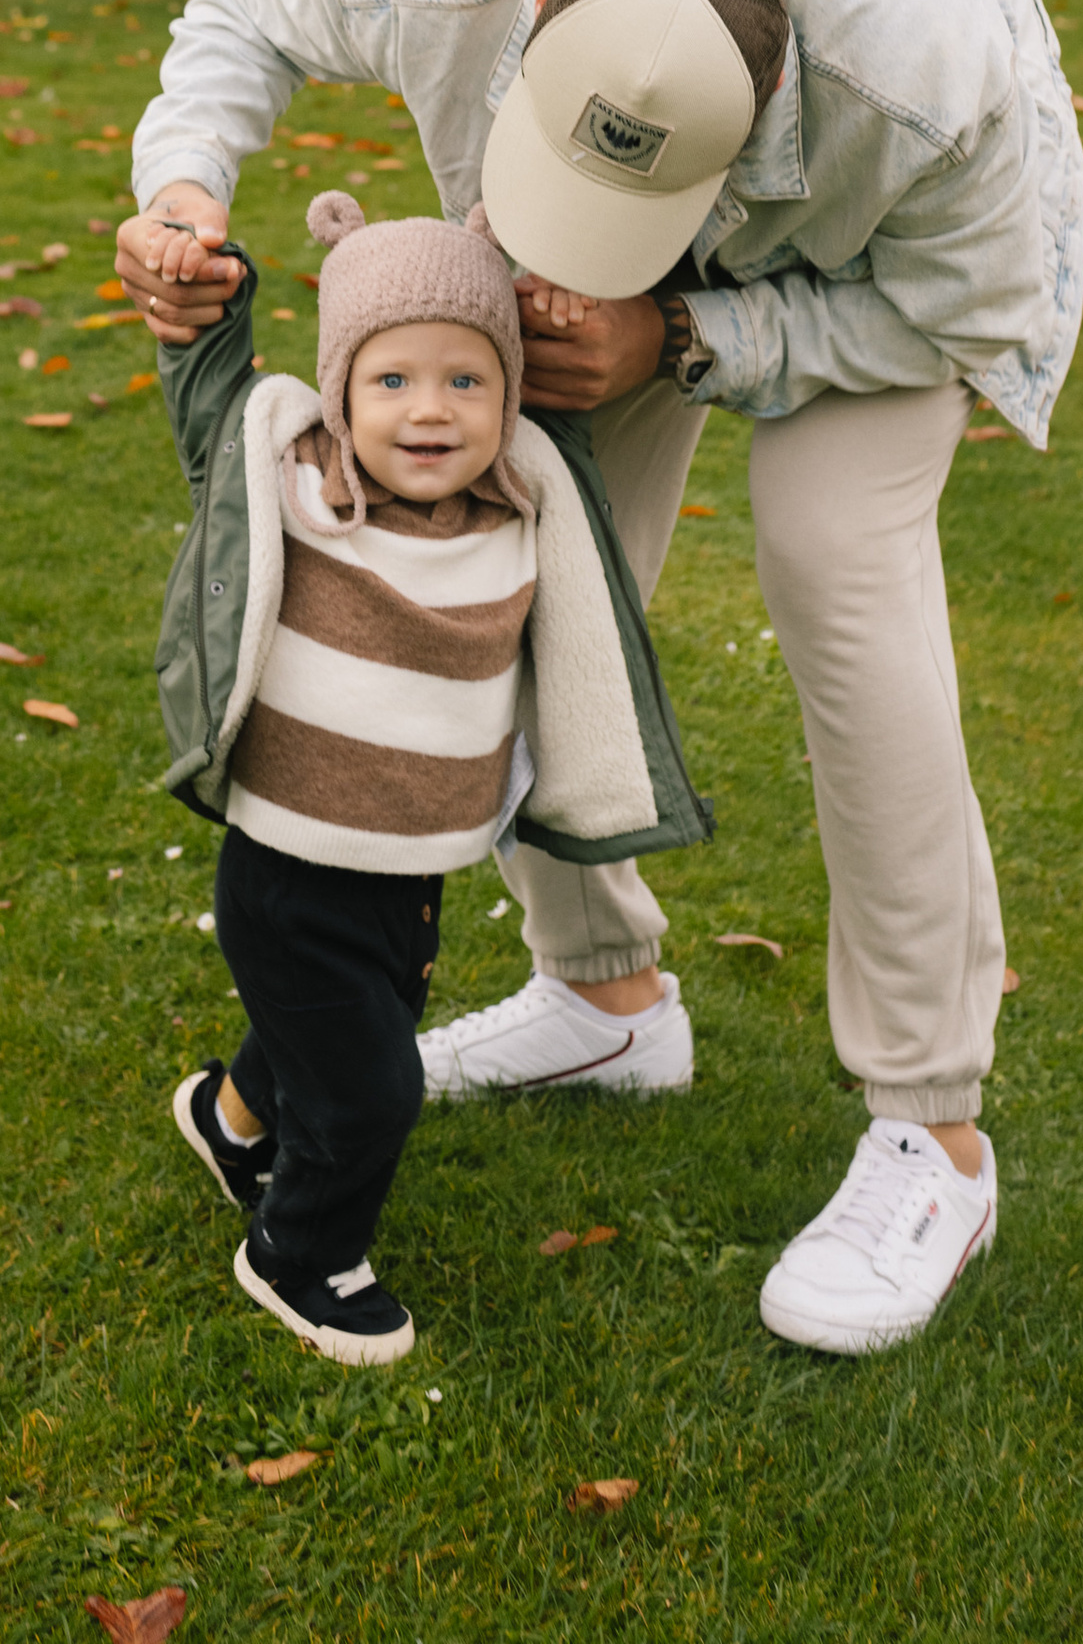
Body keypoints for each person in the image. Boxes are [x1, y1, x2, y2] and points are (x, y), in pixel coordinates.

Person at [119, 0, 1083, 1357]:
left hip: (886, 268)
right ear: (537, 16)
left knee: (836, 567)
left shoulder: (931, 81)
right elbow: (240, 14)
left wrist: (687, 328)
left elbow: (961, 313)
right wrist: (183, 190)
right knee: (504, 576)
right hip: (647, 132)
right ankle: (603, 998)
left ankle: (936, 1133)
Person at [153, 185, 704, 1366]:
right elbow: (209, 394)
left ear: (510, 400)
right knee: (370, 1088)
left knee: (351, 1022)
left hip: (412, 872)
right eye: (391, 381)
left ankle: (228, 1116)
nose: (430, 412)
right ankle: (301, 1254)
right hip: (287, 874)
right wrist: (204, 298)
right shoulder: (295, 484)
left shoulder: (524, 506)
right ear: (342, 391)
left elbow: (571, 425)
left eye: (467, 381)